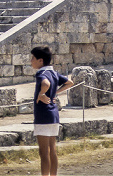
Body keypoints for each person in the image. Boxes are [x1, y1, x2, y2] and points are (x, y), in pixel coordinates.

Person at [31, 46, 73, 176]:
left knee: (44, 152)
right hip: (54, 115)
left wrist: (42, 94)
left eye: (33, 58)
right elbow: (69, 82)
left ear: (40, 61)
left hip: (43, 115)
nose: (31, 61)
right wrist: (55, 93)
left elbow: (45, 84)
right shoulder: (54, 73)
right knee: (52, 150)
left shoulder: (41, 73)